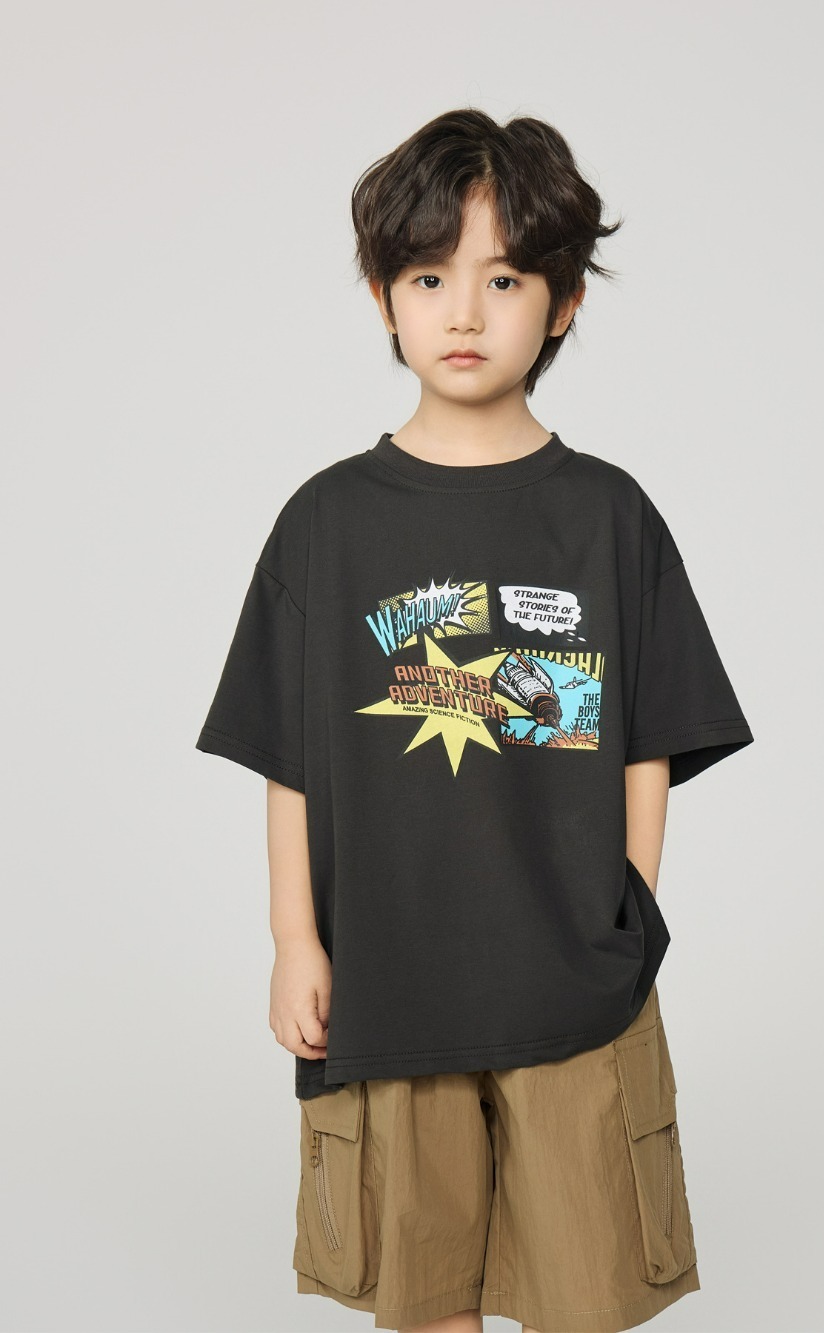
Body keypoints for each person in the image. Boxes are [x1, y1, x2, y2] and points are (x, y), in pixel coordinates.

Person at [195, 108, 754, 1333]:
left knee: (584, 1292)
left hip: (573, 983)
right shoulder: (326, 523)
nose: (462, 312)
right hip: (387, 978)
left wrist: (624, 917)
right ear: (384, 299)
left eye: (502, 279)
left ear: (562, 304)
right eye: (427, 277)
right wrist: (294, 937)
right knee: (425, 1296)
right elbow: (288, 756)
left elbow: (647, 739)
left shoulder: (608, 517)